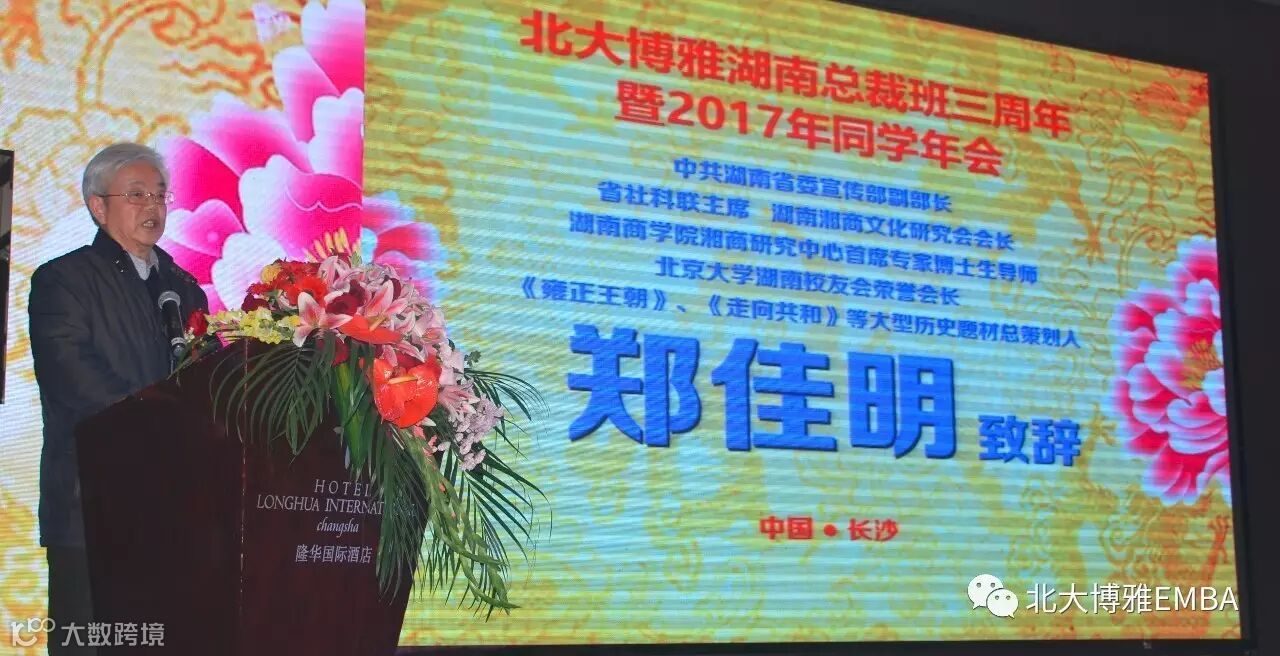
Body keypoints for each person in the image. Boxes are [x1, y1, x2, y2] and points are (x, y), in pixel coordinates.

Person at [28, 143, 207, 655]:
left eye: (160, 195)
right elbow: (73, 382)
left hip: (173, 511)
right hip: (90, 508)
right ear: (97, 206)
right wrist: (165, 421)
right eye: (136, 194)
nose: (153, 206)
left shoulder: (184, 289)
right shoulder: (63, 281)